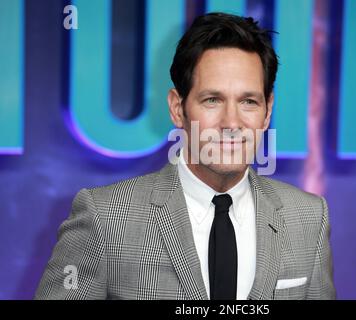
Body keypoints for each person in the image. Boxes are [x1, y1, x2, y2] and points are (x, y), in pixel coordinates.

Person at [35, 12, 335, 300]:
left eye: (248, 101)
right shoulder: (105, 218)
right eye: (212, 100)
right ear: (178, 108)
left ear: (267, 111)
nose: (231, 123)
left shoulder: (308, 219)